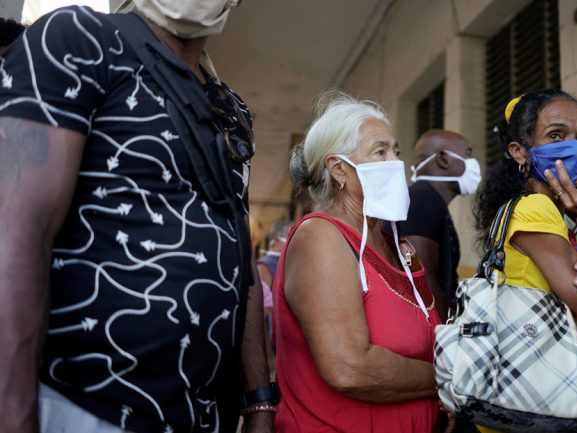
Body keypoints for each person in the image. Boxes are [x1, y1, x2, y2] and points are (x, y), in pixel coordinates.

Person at [0, 2, 273, 433]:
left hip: (202, 416)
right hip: (90, 403)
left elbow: (242, 266)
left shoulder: (229, 110)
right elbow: (15, 234)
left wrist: (259, 404)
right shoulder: (78, 39)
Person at [274, 91, 441, 432]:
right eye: (380, 152)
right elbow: (350, 367)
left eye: (396, 151)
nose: (394, 162)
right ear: (338, 170)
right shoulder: (321, 236)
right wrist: (454, 380)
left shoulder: (395, 244)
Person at [473, 90, 577, 432]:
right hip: (538, 407)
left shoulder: (547, 215)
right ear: (520, 152)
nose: (574, 147)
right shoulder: (536, 209)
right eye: (555, 136)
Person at [400, 130, 478, 321]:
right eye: (467, 155)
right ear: (443, 159)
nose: (473, 164)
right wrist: (445, 333)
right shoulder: (423, 199)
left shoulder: (426, 198)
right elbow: (421, 278)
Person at [255, 220, 293, 288]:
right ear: (276, 240)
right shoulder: (264, 266)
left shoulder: (286, 264)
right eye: (291, 238)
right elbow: (263, 296)